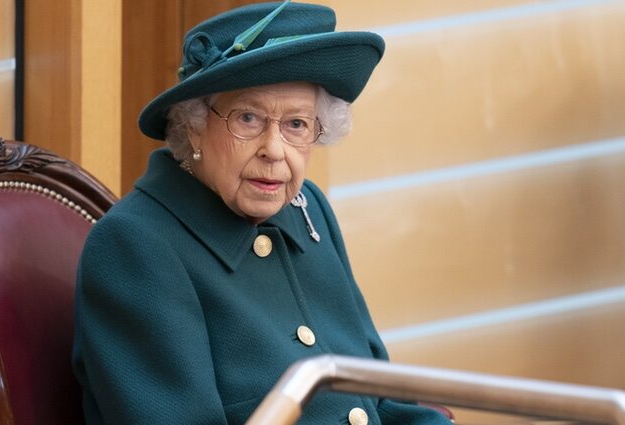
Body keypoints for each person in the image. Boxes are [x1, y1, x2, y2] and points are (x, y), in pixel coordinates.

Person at [72, 1, 453, 424]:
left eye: (296, 125)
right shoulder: (134, 247)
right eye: (249, 118)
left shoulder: (308, 209)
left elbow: (380, 399)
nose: (274, 150)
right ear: (194, 123)